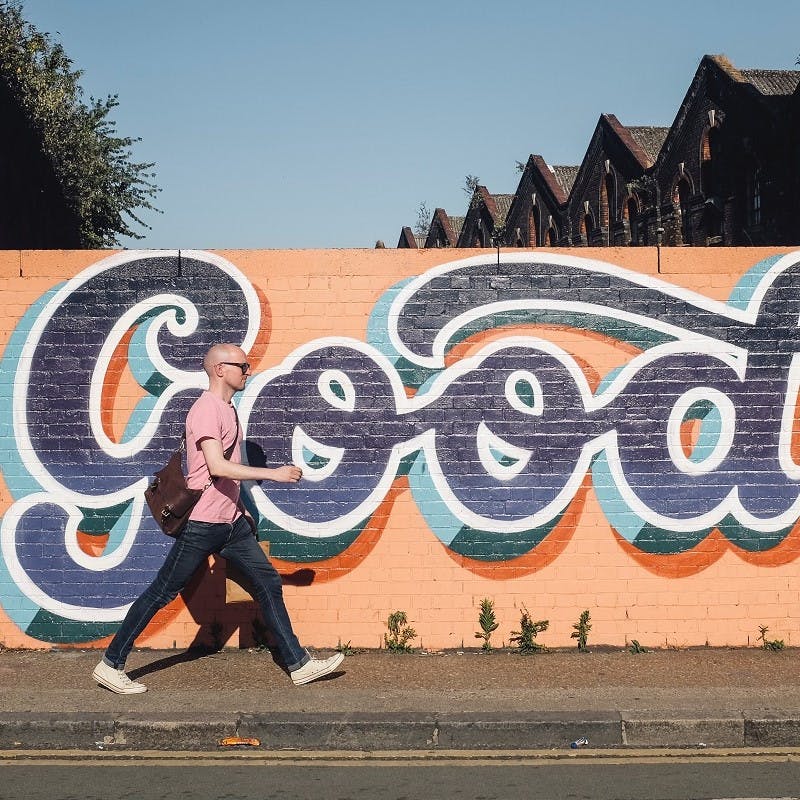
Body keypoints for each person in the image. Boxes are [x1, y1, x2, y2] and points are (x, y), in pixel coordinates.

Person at [92, 343, 344, 694]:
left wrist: (239, 510)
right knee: (162, 592)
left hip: (230, 525)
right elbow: (216, 466)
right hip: (203, 524)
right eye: (242, 365)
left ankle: (298, 664)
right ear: (219, 369)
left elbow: (223, 476)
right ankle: (111, 664)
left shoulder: (227, 409)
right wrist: (273, 474)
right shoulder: (206, 409)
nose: (248, 371)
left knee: (267, 582)